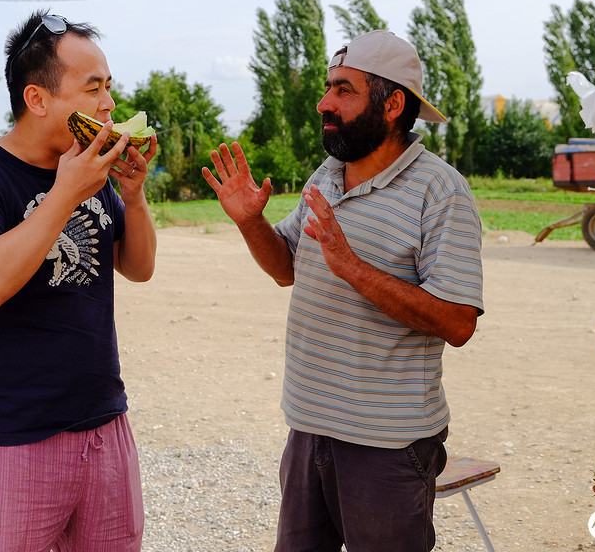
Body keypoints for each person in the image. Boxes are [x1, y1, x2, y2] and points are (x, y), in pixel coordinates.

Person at [203, 29, 483, 552]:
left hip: (388, 447)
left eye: (344, 90)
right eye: (329, 87)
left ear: (393, 103)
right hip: (308, 429)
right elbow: (286, 266)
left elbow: (458, 321)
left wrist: (353, 267)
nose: (323, 102)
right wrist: (250, 223)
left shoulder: (441, 192)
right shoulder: (328, 173)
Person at [0, 9, 158, 552]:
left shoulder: (86, 167)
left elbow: (139, 267)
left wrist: (135, 196)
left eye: (109, 88)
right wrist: (64, 193)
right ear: (38, 100)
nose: (109, 105)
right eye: (93, 88)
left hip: (105, 430)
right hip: (13, 442)